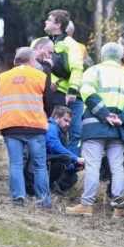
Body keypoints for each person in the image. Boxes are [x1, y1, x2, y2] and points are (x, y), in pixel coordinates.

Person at [65, 42, 124, 218]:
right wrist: (120, 119)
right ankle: (119, 207)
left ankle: (86, 205)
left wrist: (104, 114)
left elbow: (87, 93)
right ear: (121, 57)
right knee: (117, 167)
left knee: (93, 165)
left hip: (94, 126)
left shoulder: (93, 71)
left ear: (102, 55)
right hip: (118, 129)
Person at [0, 47, 54, 208]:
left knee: (15, 164)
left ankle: (18, 198)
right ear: (31, 60)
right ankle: (43, 201)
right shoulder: (41, 76)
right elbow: (49, 103)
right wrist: (44, 116)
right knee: (39, 166)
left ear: (16, 61)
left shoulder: (2, 78)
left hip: (11, 127)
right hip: (35, 127)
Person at [44, 9, 86, 153]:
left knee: (74, 133)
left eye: (49, 20)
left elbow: (77, 68)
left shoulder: (71, 44)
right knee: (51, 131)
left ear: (58, 24)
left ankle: (70, 167)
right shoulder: (42, 42)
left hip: (68, 96)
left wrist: (72, 90)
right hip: (51, 94)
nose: (45, 22)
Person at [46, 105, 84, 194]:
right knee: (64, 158)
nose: (68, 124)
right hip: (44, 163)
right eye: (65, 120)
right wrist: (76, 158)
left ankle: (54, 190)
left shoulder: (60, 131)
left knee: (73, 176)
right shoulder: (51, 127)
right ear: (56, 117)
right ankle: (49, 186)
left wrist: (75, 166)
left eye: (69, 122)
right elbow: (54, 146)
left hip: (50, 162)